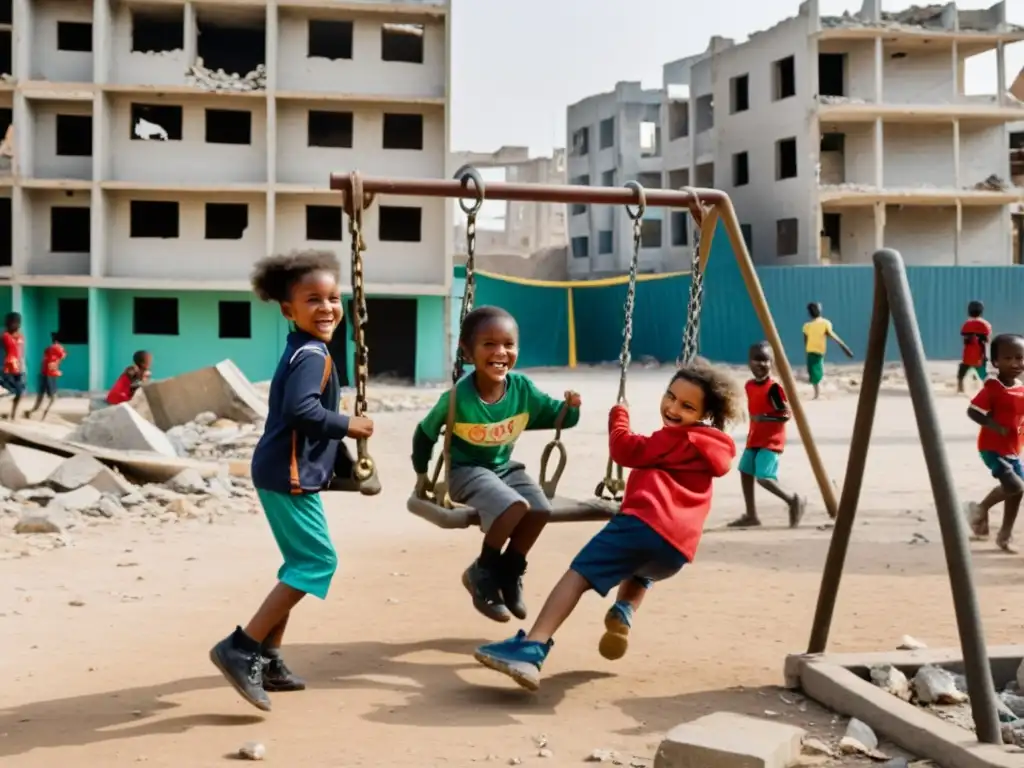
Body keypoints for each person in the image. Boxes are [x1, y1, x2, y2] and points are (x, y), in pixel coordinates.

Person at [472, 361, 739, 691]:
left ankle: (532, 646)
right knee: (641, 569)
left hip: (643, 523)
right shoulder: (710, 448)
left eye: (687, 406)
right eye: (670, 396)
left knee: (578, 575)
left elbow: (625, 449)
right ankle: (624, 610)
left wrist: (619, 417)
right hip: (676, 551)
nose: (672, 408)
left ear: (705, 414)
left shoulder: (680, 439)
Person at [209, 249, 375, 712]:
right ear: (289, 309)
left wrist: (339, 456)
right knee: (317, 562)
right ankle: (241, 647)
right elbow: (302, 411)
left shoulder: (305, 348)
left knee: (298, 563)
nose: (327, 308)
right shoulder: (312, 355)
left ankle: (269, 655)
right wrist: (349, 426)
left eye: (333, 298)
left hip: (286, 471)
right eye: (312, 300)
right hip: (287, 476)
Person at [412, 305, 581, 624]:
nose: (500, 352)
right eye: (488, 344)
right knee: (513, 505)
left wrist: (571, 408)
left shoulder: (522, 390)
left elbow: (556, 416)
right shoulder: (457, 398)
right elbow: (424, 433)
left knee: (540, 509)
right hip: (464, 472)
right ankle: (483, 572)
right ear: (467, 352)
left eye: (508, 344)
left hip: (504, 468)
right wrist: (422, 476)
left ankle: (510, 571)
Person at [729, 342, 806, 529]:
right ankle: (751, 514)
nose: (761, 364)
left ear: (771, 363)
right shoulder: (749, 386)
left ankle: (793, 500)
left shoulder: (773, 388)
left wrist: (764, 417)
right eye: (757, 360)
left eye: (766, 360)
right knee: (745, 471)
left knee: (764, 477)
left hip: (771, 440)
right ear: (749, 363)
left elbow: (786, 414)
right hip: (755, 438)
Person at [964, 333, 1024, 553]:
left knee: (1017, 492)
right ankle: (981, 509)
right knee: (1016, 485)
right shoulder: (993, 388)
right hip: (992, 448)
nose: (1016, 363)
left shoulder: (1020, 389)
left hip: (1013, 450)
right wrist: (994, 425)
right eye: (1008, 359)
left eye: (1020, 358)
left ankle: (1004, 535)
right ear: (996, 362)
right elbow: (973, 411)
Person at [802, 302, 853, 400]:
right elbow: (806, 340)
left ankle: (818, 393)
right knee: (813, 372)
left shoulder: (824, 323)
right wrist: (845, 348)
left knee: (816, 373)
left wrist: (845, 348)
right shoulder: (807, 326)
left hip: (817, 352)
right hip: (812, 352)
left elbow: (833, 336)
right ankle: (817, 393)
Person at [24, 332, 66, 420]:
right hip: (49, 375)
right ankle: (44, 415)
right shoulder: (59, 348)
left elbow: (45, 361)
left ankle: (31, 412)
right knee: (53, 398)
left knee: (40, 396)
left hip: (43, 373)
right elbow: (62, 356)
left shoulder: (48, 349)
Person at [957, 300, 992, 394]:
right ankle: (987, 389)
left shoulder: (966, 324)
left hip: (967, 355)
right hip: (980, 355)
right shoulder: (985, 324)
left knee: (962, 372)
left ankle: (960, 388)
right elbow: (987, 340)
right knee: (983, 374)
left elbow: (964, 340)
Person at [0, 311, 26, 419]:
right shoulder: (3, 336)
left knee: (19, 393)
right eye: (13, 323)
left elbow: (20, 353)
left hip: (18, 369)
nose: (16, 325)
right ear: (8, 323)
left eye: (17, 323)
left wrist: (23, 367)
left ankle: (13, 415)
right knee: (8, 392)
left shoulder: (21, 337)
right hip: (5, 368)